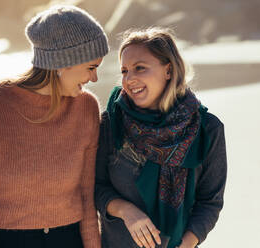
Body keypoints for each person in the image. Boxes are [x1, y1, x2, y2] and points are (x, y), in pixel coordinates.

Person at [0, 5, 109, 248]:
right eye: (91, 67)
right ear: (63, 63)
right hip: (4, 241)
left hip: (69, 239)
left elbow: (86, 194)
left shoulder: (86, 108)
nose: (94, 79)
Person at [95, 27, 227, 248]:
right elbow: (96, 187)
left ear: (168, 70)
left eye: (140, 68)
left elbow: (210, 201)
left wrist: (186, 244)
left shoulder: (207, 129)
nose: (129, 79)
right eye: (125, 71)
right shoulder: (112, 123)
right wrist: (126, 211)